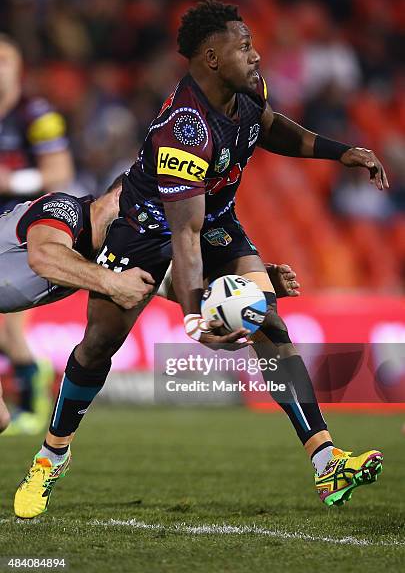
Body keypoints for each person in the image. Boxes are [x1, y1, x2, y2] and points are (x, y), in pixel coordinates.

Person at [14, 0, 389, 518]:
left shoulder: (247, 91)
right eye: (244, 47)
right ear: (211, 58)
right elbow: (182, 237)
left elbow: (270, 126)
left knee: (266, 321)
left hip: (216, 221)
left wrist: (338, 151)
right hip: (145, 231)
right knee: (99, 345)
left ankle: (327, 461)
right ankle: (51, 455)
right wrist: (195, 320)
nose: (256, 56)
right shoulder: (185, 131)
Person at [0, 174, 299, 431]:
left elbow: (171, 285)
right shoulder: (63, 208)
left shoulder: (106, 256)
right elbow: (44, 257)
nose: (142, 226)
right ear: (119, 196)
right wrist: (112, 282)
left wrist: (249, 292)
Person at [0, 34, 73, 435]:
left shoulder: (36, 114)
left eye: (4, 59)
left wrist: (11, 179)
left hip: (25, 229)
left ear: (18, 67)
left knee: (12, 331)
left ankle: (30, 403)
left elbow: (60, 174)